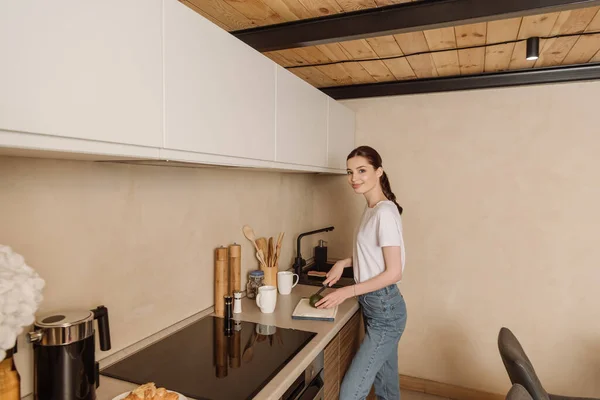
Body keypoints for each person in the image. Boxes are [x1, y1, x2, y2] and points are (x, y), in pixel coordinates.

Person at [315, 145, 407, 400]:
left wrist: (346, 291)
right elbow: (372, 255)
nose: (354, 178)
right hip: (378, 306)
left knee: (349, 394)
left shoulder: (384, 213)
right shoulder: (373, 208)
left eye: (361, 170)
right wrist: (344, 262)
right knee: (386, 386)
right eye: (349, 171)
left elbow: (394, 272)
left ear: (379, 171)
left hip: (385, 311)